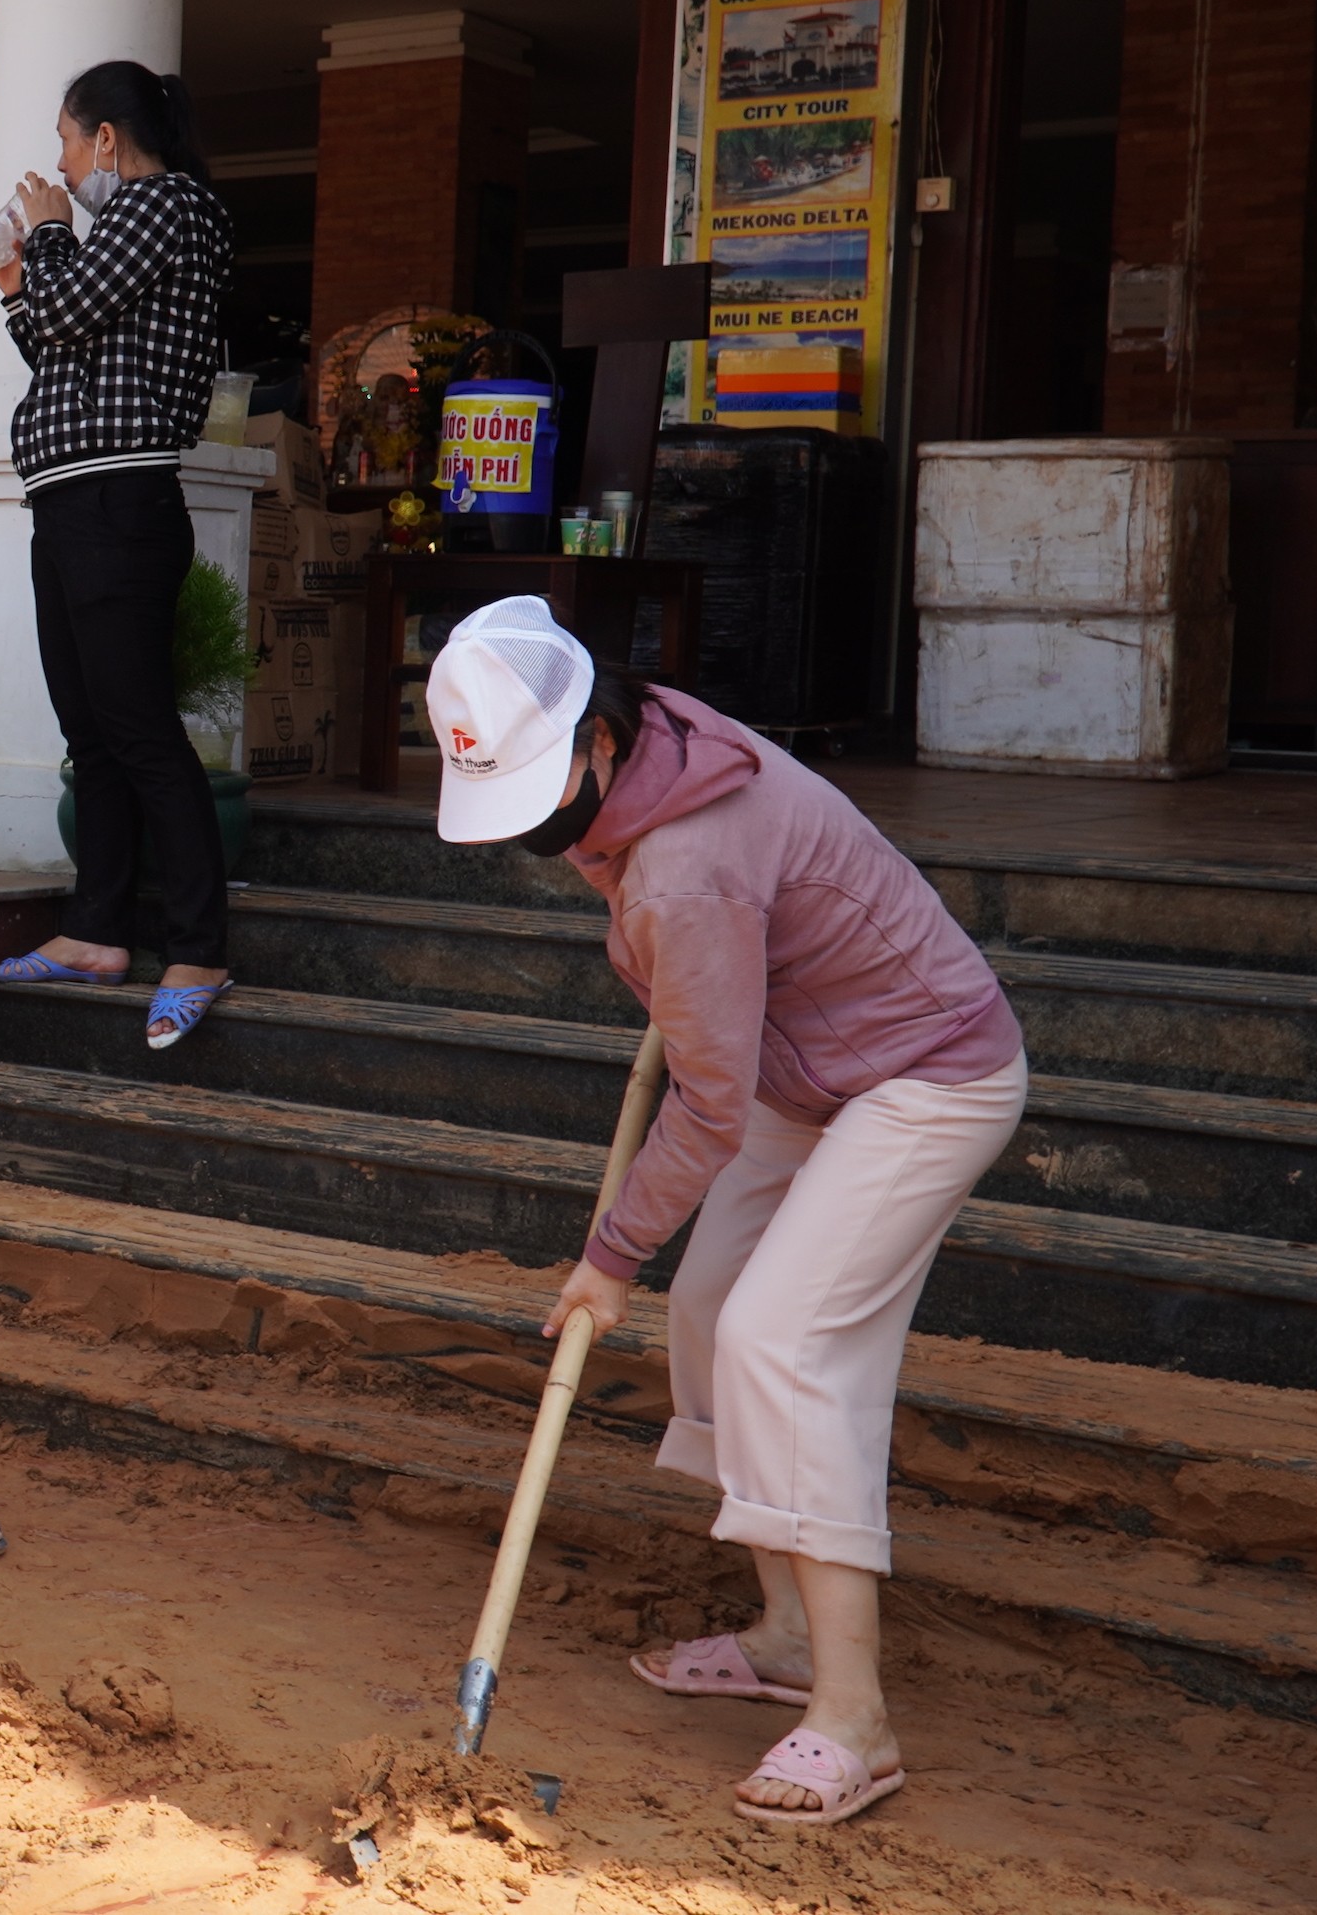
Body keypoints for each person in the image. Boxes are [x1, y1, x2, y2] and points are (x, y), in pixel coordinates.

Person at [429, 596, 1026, 1828]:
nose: (537, 823)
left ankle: (853, 1718)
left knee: (782, 1339)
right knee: (711, 1310)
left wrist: (607, 1259)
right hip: (804, 1065)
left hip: (925, 1074)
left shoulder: (684, 864)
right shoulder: (653, 747)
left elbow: (707, 1106)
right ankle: (793, 1632)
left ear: (596, 737)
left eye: (544, 784)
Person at [0, 59, 242, 1052]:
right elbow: (54, 345)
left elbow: (64, 314)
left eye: (62, 142)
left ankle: (196, 946)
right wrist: (15, 280)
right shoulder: (131, 226)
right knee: (90, 730)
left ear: (102, 139)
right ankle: (97, 931)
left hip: (117, 502)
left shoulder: (163, 203)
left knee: (136, 730)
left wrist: (47, 229)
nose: (55, 165)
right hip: (72, 501)